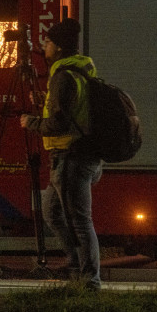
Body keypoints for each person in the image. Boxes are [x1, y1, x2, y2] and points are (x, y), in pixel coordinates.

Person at [19, 18, 103, 290]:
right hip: (76, 156)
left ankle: (89, 281)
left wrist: (31, 122)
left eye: (48, 42)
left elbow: (58, 123)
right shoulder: (79, 71)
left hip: (71, 157)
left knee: (80, 221)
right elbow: (69, 111)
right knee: (52, 212)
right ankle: (75, 266)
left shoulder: (63, 77)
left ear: (58, 47)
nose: (45, 47)